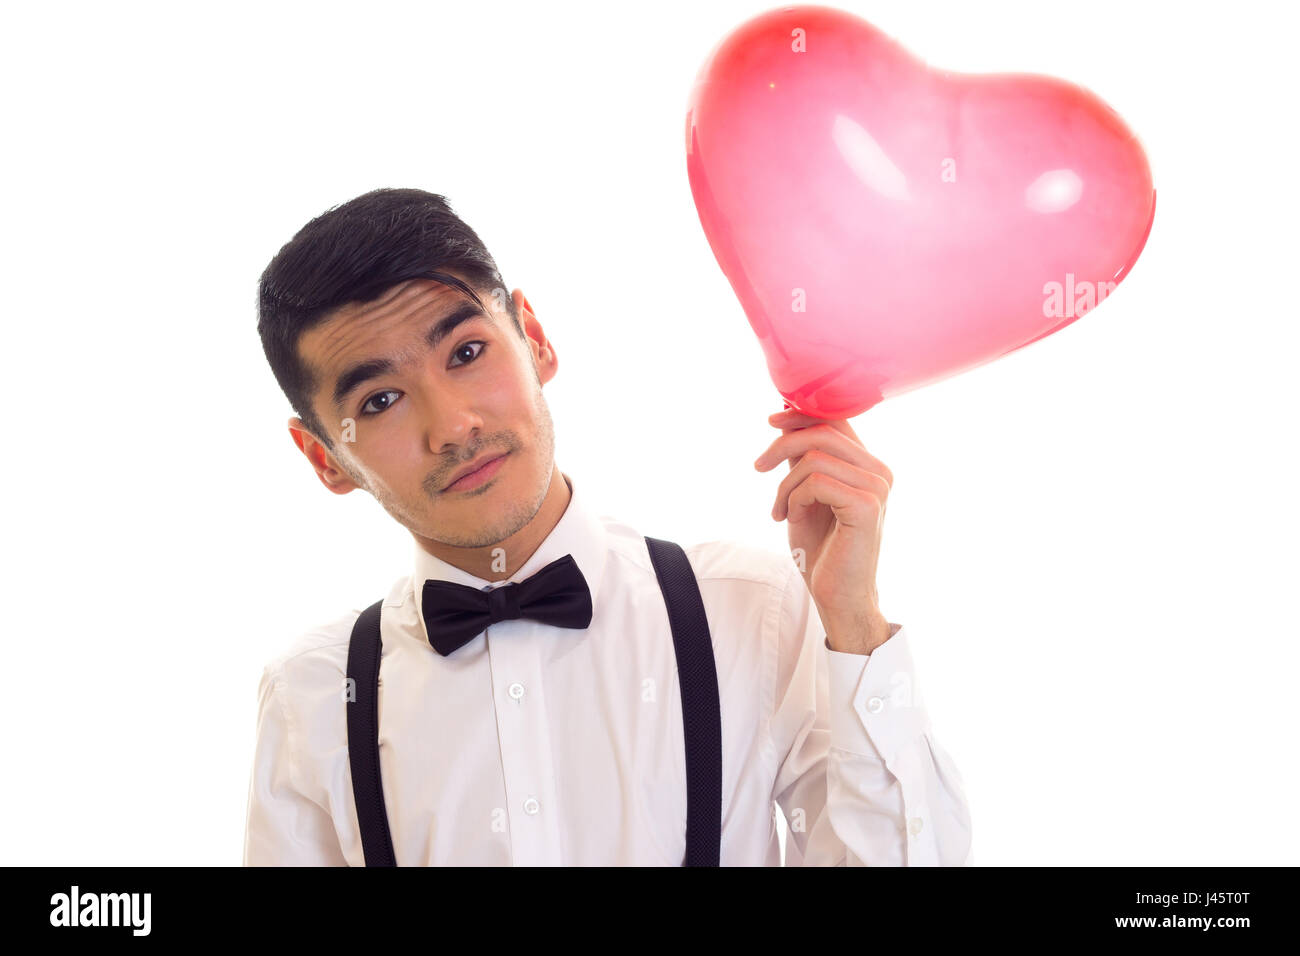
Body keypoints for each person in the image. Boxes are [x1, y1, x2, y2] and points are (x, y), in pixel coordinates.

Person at [243, 187, 973, 866]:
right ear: (323, 457)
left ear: (533, 338)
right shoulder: (312, 696)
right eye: (379, 401)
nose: (453, 425)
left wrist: (854, 624)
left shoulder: (751, 609)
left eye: (467, 353)